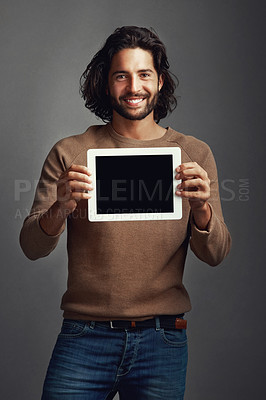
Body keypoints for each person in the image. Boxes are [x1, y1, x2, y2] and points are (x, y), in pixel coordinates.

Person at [20, 26, 231, 400]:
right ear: (107, 84)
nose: (134, 87)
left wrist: (202, 210)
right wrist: (59, 207)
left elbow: (215, 254)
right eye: (122, 75)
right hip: (84, 336)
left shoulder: (194, 154)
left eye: (144, 74)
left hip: (162, 339)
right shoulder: (70, 152)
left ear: (160, 82)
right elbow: (32, 246)